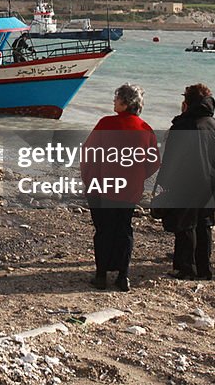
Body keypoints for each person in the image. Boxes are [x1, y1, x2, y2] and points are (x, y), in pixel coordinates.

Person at [80, 84, 160, 292]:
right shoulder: (145, 129)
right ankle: (123, 276)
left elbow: (88, 152)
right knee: (124, 229)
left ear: (125, 102)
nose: (113, 101)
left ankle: (101, 275)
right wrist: (139, 176)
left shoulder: (106, 124)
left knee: (104, 229)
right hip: (129, 188)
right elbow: (153, 162)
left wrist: (88, 178)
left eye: (116, 99)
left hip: (102, 185)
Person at [154, 84, 215, 280]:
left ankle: (185, 268)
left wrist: (163, 182)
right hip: (209, 181)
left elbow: (171, 158)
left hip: (185, 181)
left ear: (187, 103)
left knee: (185, 225)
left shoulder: (184, 125)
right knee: (204, 224)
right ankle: (204, 267)